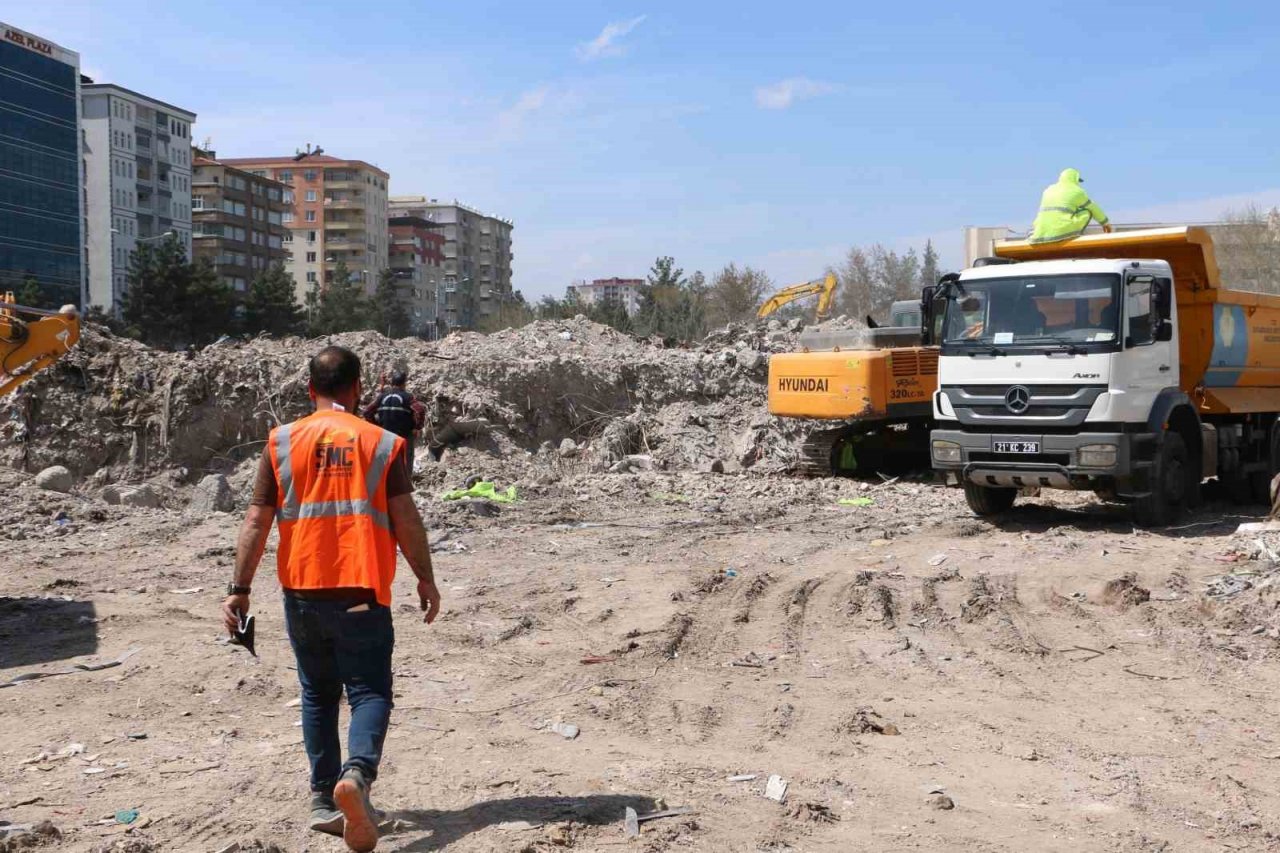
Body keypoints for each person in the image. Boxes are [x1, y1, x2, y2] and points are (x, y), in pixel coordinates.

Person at [221, 345, 441, 853]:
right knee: (368, 692)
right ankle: (357, 778)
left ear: (309, 389)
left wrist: (239, 590)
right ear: (359, 388)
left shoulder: (280, 443)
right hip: (361, 588)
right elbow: (406, 518)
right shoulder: (381, 443)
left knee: (318, 693)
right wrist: (425, 579)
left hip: (300, 590)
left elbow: (257, 520)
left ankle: (324, 800)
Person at [362, 370, 426, 476]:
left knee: (385, 465)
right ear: (404, 383)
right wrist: (417, 427)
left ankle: (385, 488)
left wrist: (376, 426)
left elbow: (367, 412)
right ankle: (406, 486)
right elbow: (420, 410)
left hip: (385, 436)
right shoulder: (407, 397)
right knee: (406, 462)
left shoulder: (382, 396)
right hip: (403, 436)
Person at [1030, 168, 1113, 244]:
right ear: (1075, 180)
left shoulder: (1048, 190)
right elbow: (1093, 208)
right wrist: (1105, 223)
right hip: (1061, 232)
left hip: (1039, 233)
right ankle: (1074, 234)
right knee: (1087, 210)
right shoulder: (1077, 191)